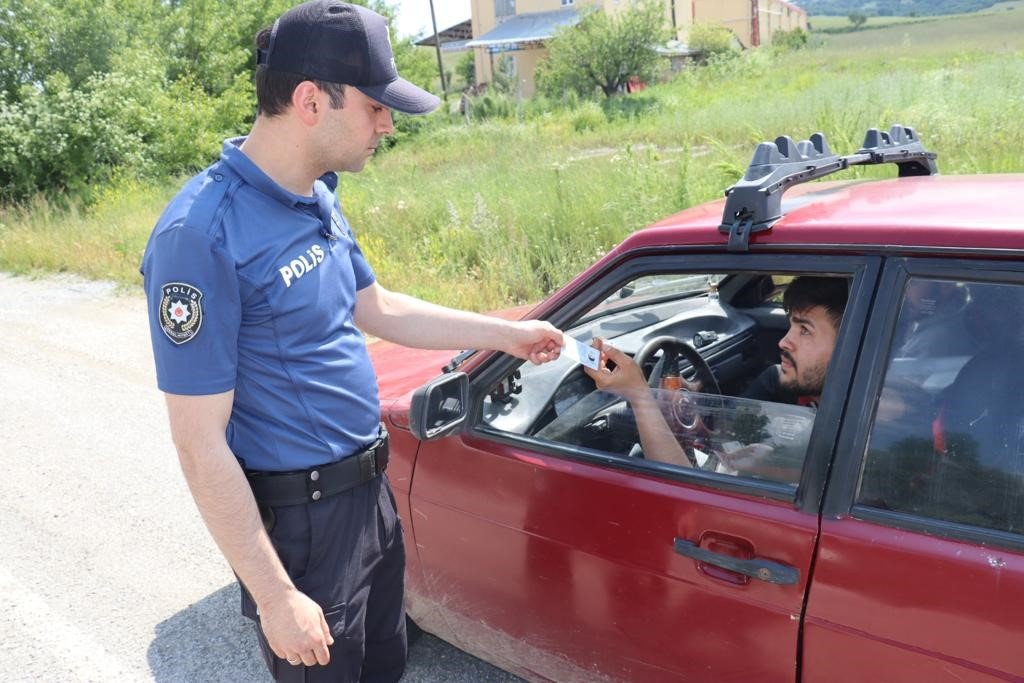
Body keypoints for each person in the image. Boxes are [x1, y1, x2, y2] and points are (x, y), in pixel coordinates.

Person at [139, 3, 563, 681]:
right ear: (311, 100)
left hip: (371, 495)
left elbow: (378, 306)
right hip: (302, 530)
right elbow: (198, 443)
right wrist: (276, 595)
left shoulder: (316, 196)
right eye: (375, 107)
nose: (388, 124)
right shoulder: (200, 236)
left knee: (385, 667)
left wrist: (506, 335)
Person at [583, 277, 848, 477]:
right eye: (791, 325)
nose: (783, 342)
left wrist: (640, 396)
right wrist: (770, 460)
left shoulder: (854, 438)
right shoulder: (840, 401)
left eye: (805, 330)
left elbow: (683, 491)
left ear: (850, 344)